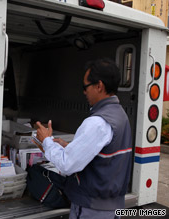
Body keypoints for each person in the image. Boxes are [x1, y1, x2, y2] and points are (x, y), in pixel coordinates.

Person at [35, 58, 132, 219]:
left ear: (99, 86)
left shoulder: (97, 122)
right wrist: (70, 147)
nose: (84, 92)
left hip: (92, 209)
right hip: (112, 207)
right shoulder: (120, 115)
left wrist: (46, 140)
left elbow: (67, 165)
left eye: (85, 86)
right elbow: (105, 156)